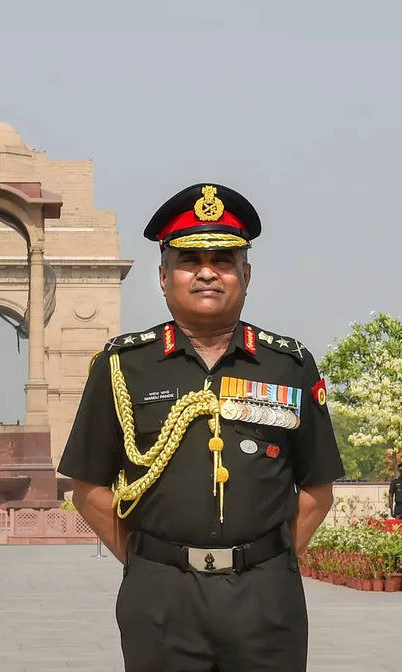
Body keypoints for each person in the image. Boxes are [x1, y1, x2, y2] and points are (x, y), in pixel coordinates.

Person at [59, 182, 343, 672]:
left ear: (246, 275)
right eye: (190, 261)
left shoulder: (289, 365)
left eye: (224, 260)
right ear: (164, 277)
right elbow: (87, 487)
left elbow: (317, 488)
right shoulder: (123, 365)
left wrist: (270, 562)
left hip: (265, 598)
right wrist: (146, 562)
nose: (208, 273)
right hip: (161, 597)